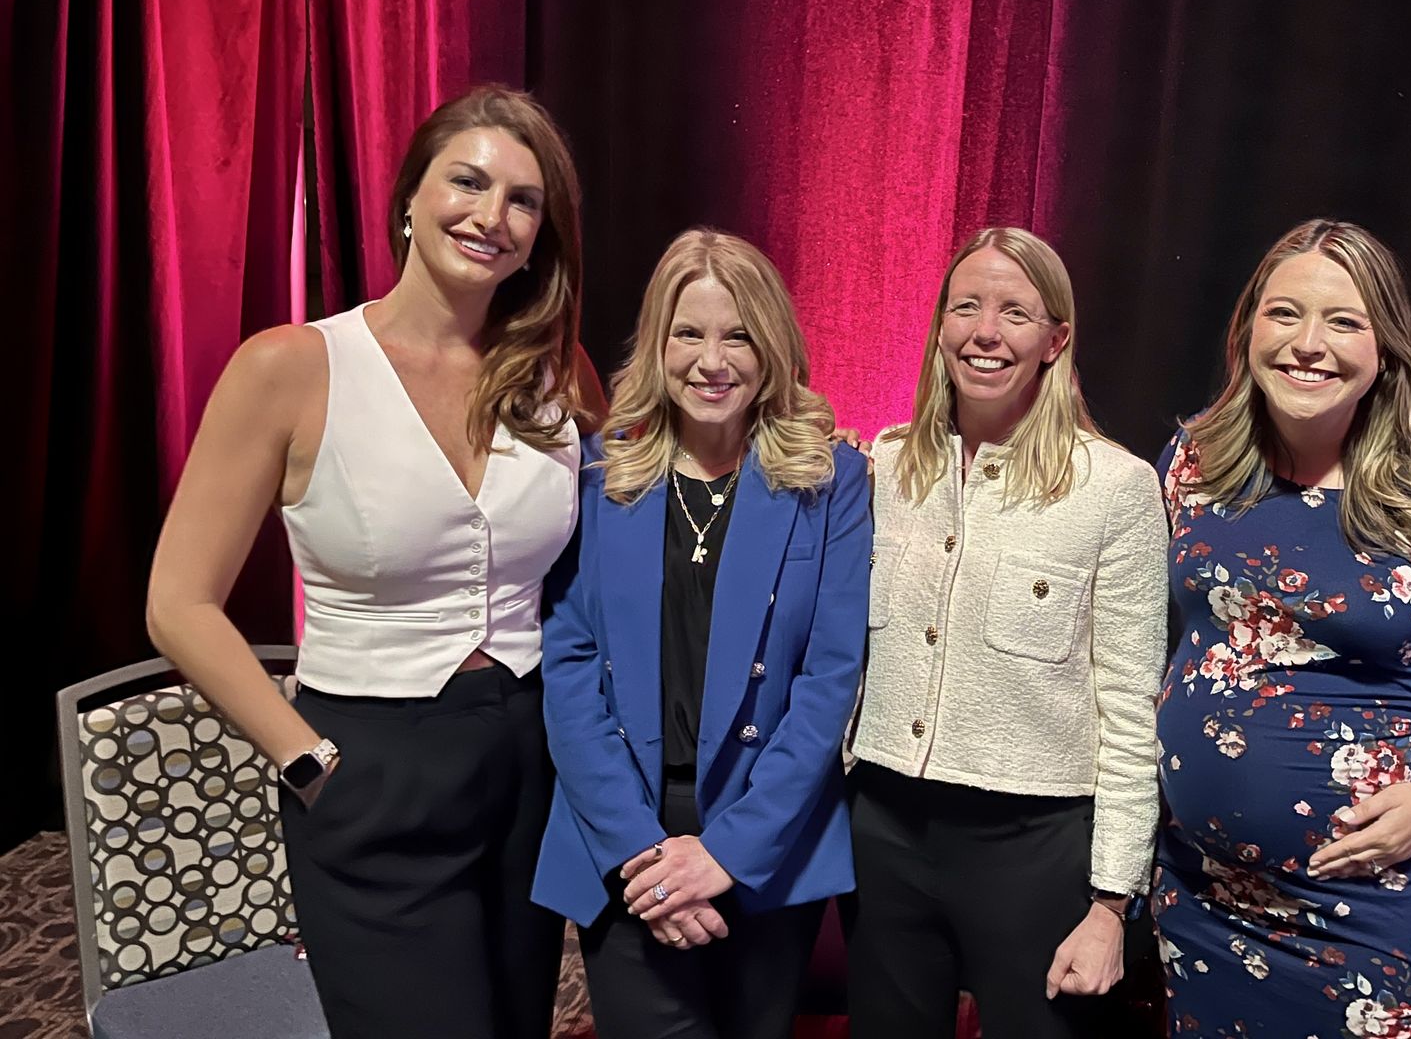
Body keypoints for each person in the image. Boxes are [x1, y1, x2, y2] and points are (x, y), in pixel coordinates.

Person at [145, 85, 597, 1038]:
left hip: (529, 755)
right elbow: (179, 603)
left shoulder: (558, 372)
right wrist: (305, 760)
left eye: (523, 200)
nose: (492, 216)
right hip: (369, 757)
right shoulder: (291, 366)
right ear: (409, 196)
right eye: (467, 181)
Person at [1153, 219, 1411, 1036]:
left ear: (1385, 349)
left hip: (1372, 920)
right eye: (1284, 313)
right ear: (1247, 329)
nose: (1308, 344)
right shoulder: (1191, 465)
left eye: (1344, 321)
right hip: (1201, 907)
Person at [533, 228, 872, 1039]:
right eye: (689, 333)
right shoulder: (596, 471)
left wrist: (724, 855)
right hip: (626, 837)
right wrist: (643, 858)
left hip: (765, 842)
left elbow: (830, 682)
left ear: (773, 348)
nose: (712, 360)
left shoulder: (830, 481)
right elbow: (570, 669)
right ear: (657, 343)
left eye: (739, 336)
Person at [843, 226, 1168, 1038]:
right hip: (880, 832)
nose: (985, 333)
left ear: (1057, 338)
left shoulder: (1116, 489)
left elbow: (1131, 711)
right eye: (967, 308)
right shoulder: (881, 467)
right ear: (940, 327)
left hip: (1033, 848)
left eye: (1015, 313)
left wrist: (1109, 906)